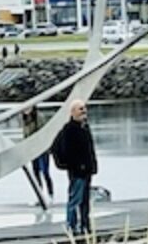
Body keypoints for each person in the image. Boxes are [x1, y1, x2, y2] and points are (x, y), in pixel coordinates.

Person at [51, 99, 98, 235]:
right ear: (72, 113)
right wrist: (72, 165)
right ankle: (71, 226)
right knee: (75, 200)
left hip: (87, 170)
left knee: (85, 201)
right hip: (77, 171)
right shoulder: (69, 130)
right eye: (80, 109)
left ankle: (85, 226)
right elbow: (61, 150)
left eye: (84, 108)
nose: (84, 111)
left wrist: (92, 165)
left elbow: (90, 149)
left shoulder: (85, 128)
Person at [20, 104, 54, 200]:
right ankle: (40, 196)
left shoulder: (39, 117)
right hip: (32, 150)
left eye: (27, 108)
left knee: (45, 172)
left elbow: (43, 132)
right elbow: (25, 135)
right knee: (36, 173)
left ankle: (51, 195)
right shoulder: (25, 119)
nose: (25, 110)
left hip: (42, 149)